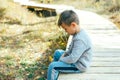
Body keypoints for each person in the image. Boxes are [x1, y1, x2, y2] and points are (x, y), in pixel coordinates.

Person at [47, 10, 92, 80]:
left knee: (52, 66)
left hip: (78, 65)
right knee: (57, 53)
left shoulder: (80, 39)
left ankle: (53, 72)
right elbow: (70, 49)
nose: (65, 31)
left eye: (66, 29)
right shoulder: (76, 33)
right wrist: (65, 54)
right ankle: (54, 75)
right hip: (75, 59)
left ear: (73, 25)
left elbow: (72, 59)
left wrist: (61, 59)